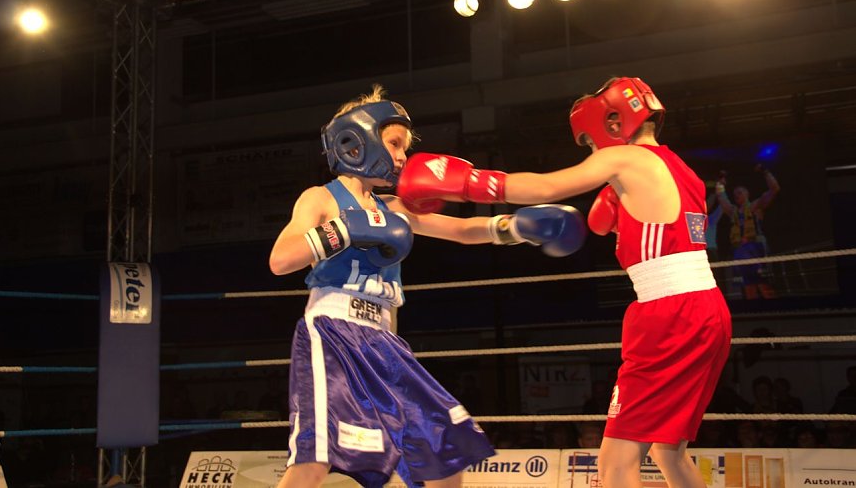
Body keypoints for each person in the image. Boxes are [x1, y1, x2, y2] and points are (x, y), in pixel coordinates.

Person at [396, 76, 732, 488]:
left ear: (612, 124)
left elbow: (547, 186)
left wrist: (466, 182)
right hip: (706, 309)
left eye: (589, 143)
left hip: (671, 315)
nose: (592, 152)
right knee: (669, 452)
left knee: (616, 464)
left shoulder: (626, 158)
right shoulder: (681, 170)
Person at [268, 84, 586, 488]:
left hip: (386, 343)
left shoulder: (393, 208)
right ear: (357, 141)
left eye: (405, 147)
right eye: (395, 144)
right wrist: (344, 229)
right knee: (315, 461)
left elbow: (462, 231)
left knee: (443, 458)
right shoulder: (320, 199)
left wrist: (516, 227)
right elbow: (280, 259)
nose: (403, 157)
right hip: (333, 334)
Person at [715, 164, 780, 299]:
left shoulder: (756, 206)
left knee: (764, 285)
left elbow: (774, 189)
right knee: (748, 287)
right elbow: (721, 196)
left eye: (740, 192)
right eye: (735, 194)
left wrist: (765, 171)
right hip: (740, 251)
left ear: (747, 194)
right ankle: (754, 310)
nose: (736, 195)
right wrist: (721, 181)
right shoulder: (732, 211)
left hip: (756, 248)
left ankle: (774, 309)